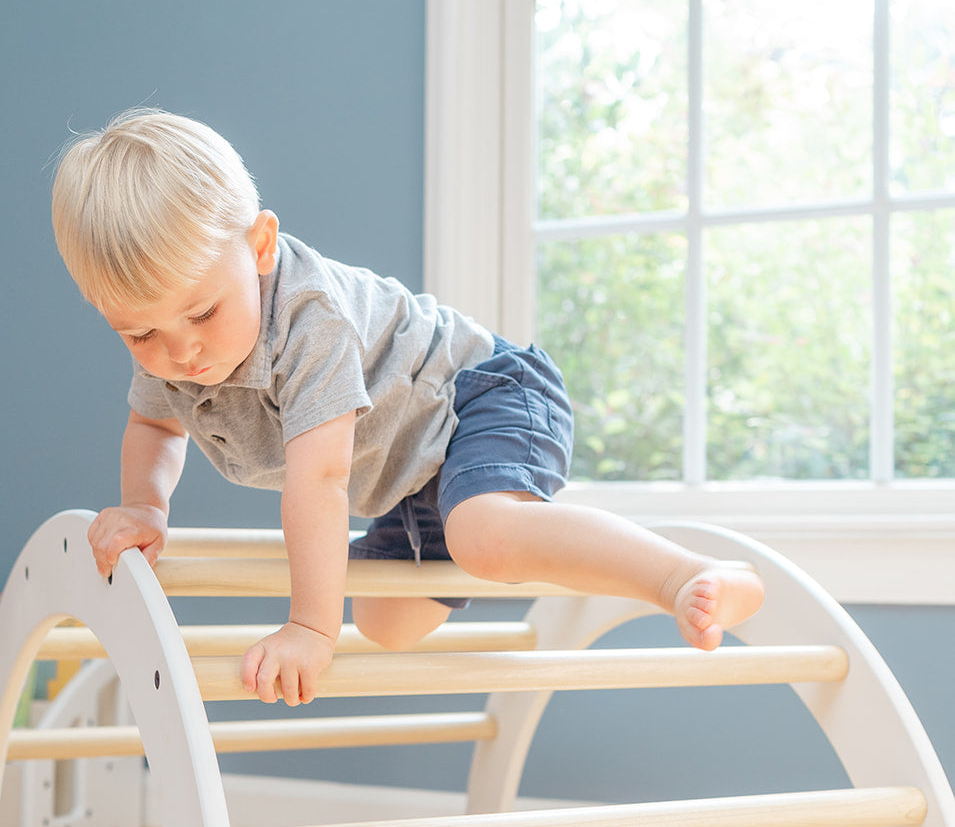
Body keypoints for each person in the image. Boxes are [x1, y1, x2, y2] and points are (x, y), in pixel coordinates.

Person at [52, 109, 764, 707]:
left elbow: (321, 481)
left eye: (203, 313)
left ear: (260, 247)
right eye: (139, 332)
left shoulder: (310, 323)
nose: (181, 353)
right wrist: (145, 507)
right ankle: (500, 524)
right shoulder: (175, 344)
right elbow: (152, 423)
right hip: (408, 473)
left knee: (484, 538)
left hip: (478, 396)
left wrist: (308, 626)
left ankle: (686, 576)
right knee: (388, 621)